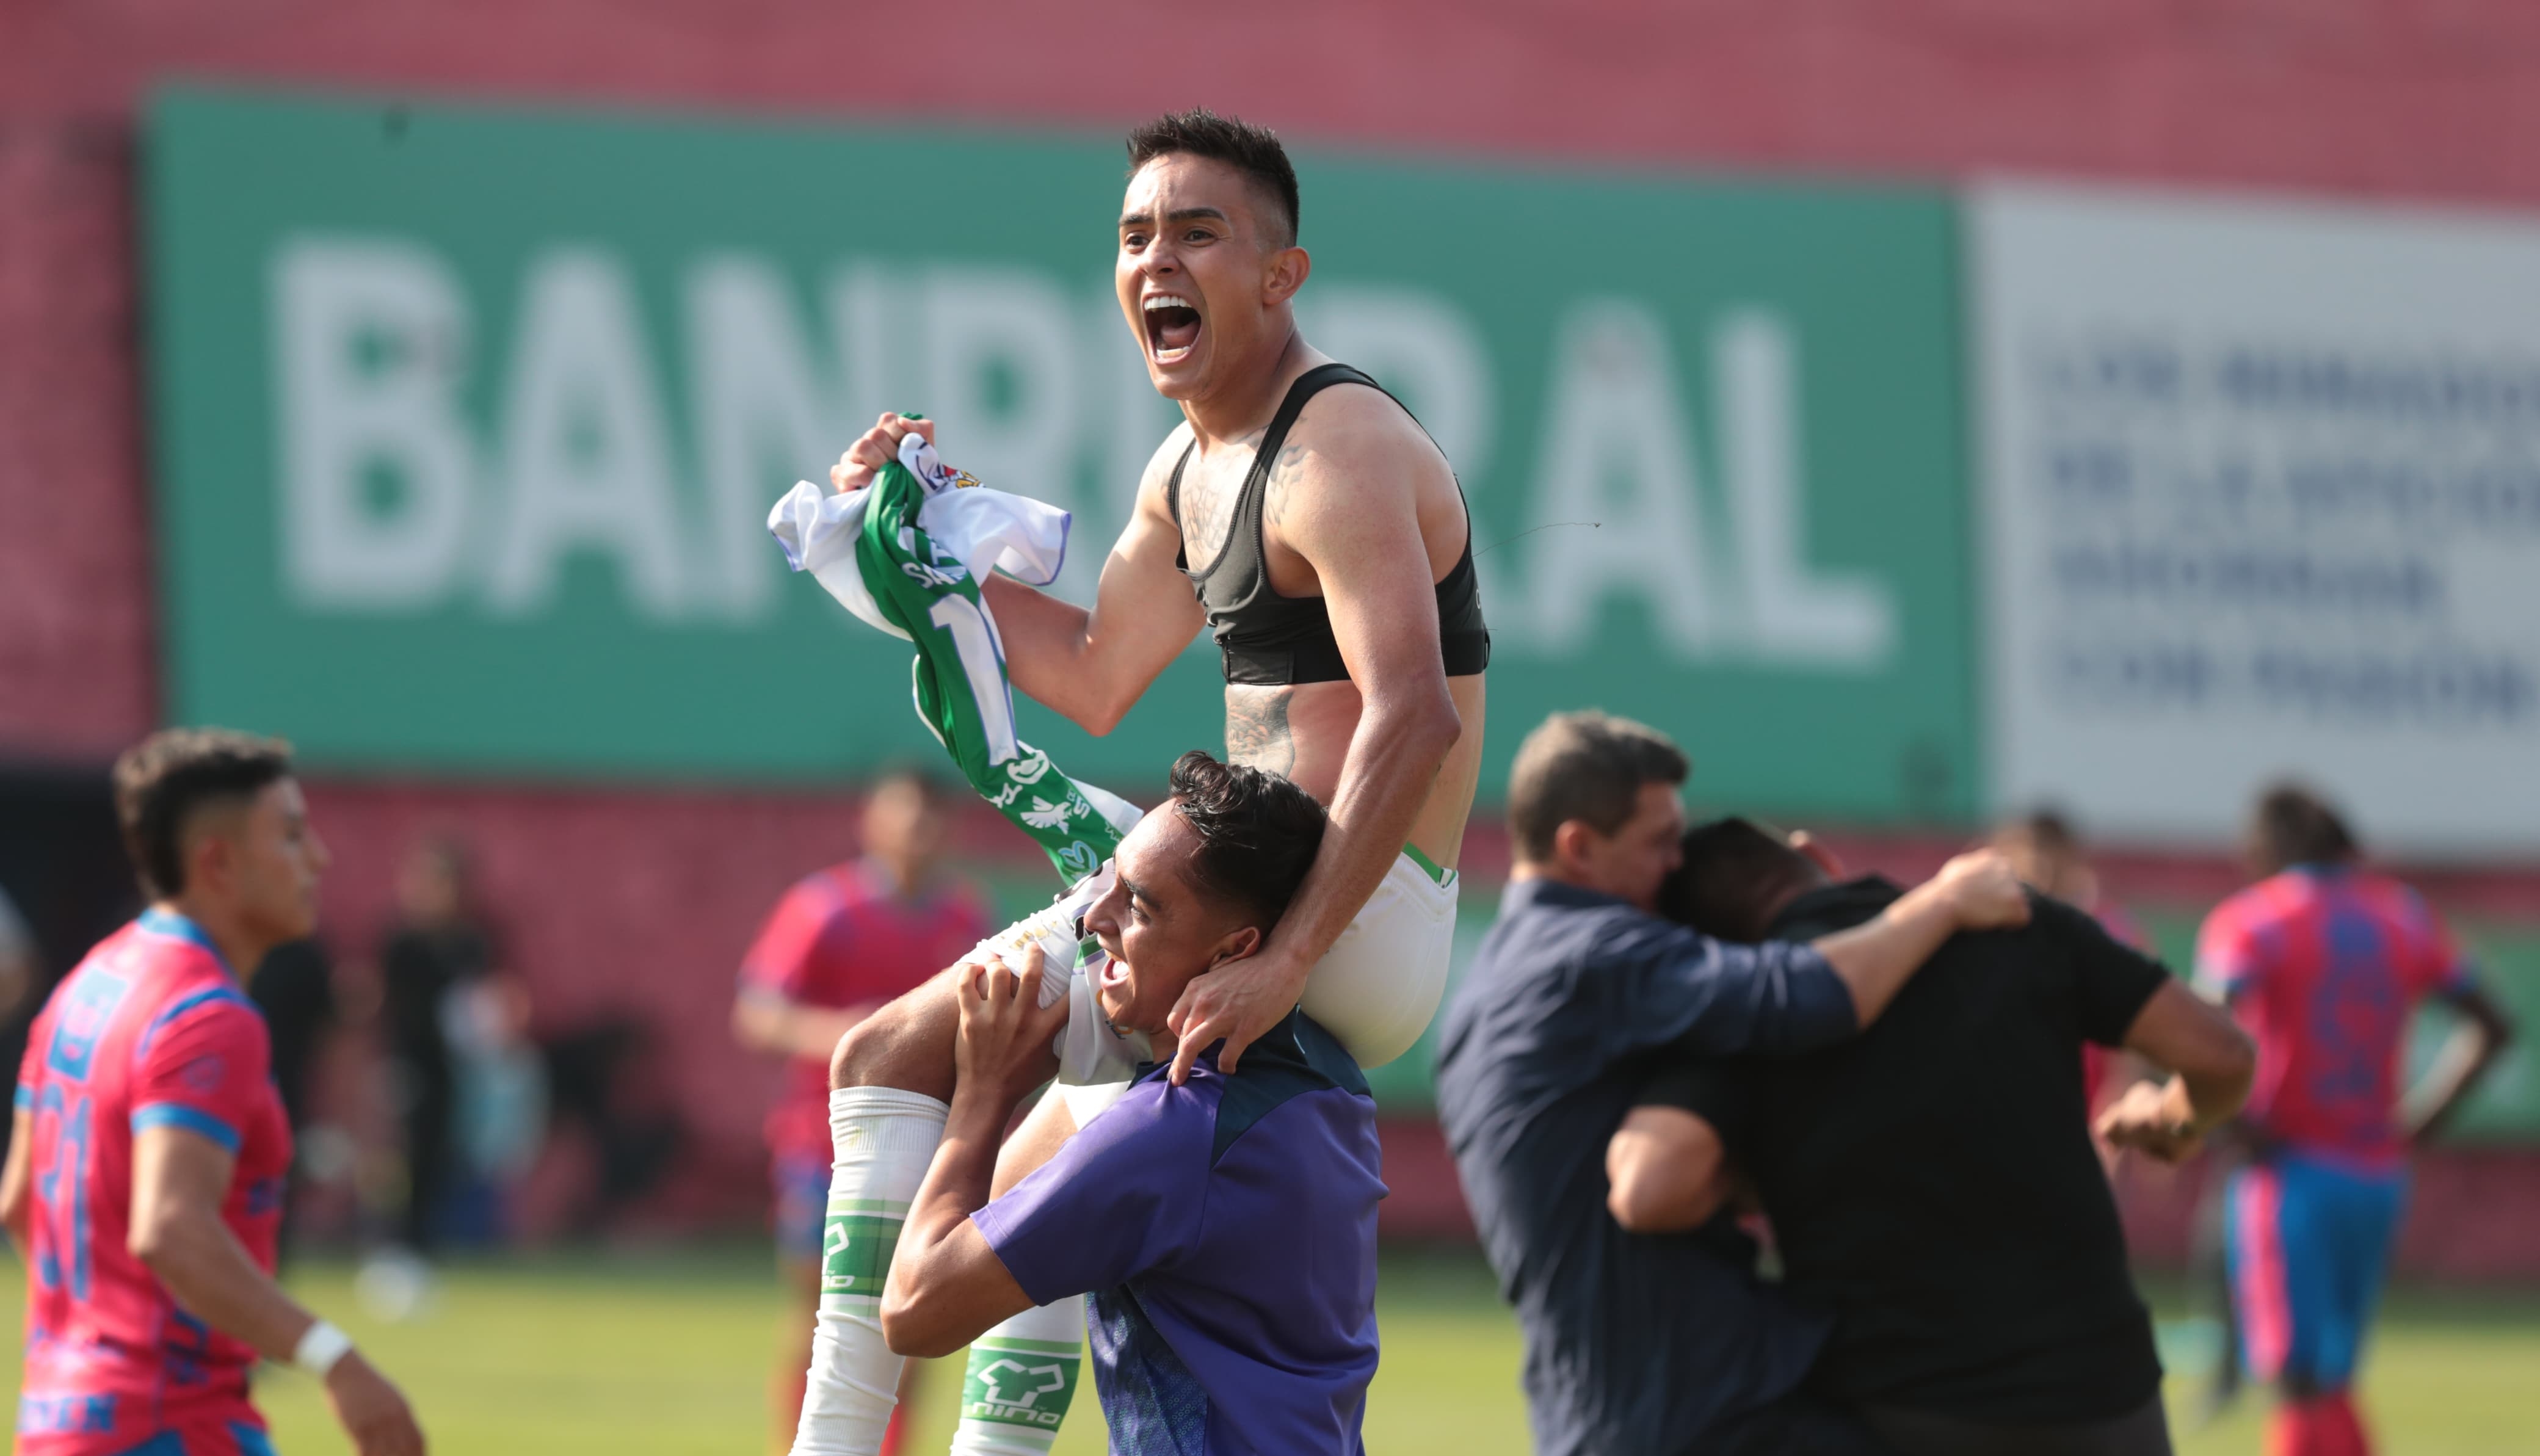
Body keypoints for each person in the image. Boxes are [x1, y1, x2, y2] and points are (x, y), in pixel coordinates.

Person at [798, 106, 1486, 1456]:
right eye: (1133, 236)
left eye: (1195, 232)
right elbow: (1099, 673)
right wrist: (916, 540)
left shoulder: (1335, 443)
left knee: (885, 1057)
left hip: (1349, 911)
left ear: (1281, 275)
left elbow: (1414, 724)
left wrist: (1283, 959)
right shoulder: (1189, 462)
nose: (1154, 259)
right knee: (1028, 1171)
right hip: (1269, 897)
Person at [1431, 711, 2033, 1456]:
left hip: (1595, 1412)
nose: (1677, 866)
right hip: (1707, 1409)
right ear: (1578, 848)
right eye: (1657, 844)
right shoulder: (1596, 954)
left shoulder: (1485, 990)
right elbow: (1806, 994)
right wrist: (1940, 903)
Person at [1603, 817, 2256, 1455]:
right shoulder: (2009, 917)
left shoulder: (1744, 1010)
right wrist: (2172, 1120)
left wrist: (1759, 1171)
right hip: (2101, 1397)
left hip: (1900, 1409)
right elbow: (2222, 1055)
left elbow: (1653, 1189)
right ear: (1819, 858)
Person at [876, 752, 1382, 1454]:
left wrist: (983, 1094)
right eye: (1108, 882)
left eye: (1139, 905)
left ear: (1234, 951)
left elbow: (914, 1311)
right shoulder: (1334, 1079)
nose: (1092, 918)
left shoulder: (1169, 1134)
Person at [0, 728, 425, 1456]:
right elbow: (169, 1226)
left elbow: (18, 1202)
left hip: (58, 1420)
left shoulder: (83, 987)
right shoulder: (207, 1013)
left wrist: (93, 1336)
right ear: (217, 862)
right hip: (168, 1424)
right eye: (291, 837)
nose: (317, 859)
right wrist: (335, 1359)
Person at [2194, 784, 2515, 1456]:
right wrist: (2418, 1124)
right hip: (2375, 1175)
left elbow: (2204, 1029)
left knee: (2297, 1380)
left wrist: (2229, 1120)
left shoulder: (2255, 921)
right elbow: (2493, 1025)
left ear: (2265, 849)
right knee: (2330, 1379)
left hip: (2290, 1175)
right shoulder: (2402, 917)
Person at [733, 769, 992, 1455]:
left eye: (932, 819)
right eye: (906, 816)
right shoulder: (824, 908)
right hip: (822, 1145)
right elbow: (757, 1012)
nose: (920, 832)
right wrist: (849, 1038)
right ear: (872, 822)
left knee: (911, 1314)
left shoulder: (965, 917)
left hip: (928, 1147)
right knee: (821, 1315)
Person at [373, 836, 503, 1257]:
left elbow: (485, 998)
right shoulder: (402, 943)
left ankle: (426, 1242)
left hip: (454, 1065)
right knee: (401, 1154)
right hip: (407, 1062)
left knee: (441, 1152)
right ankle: (395, 1243)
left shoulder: (470, 942)